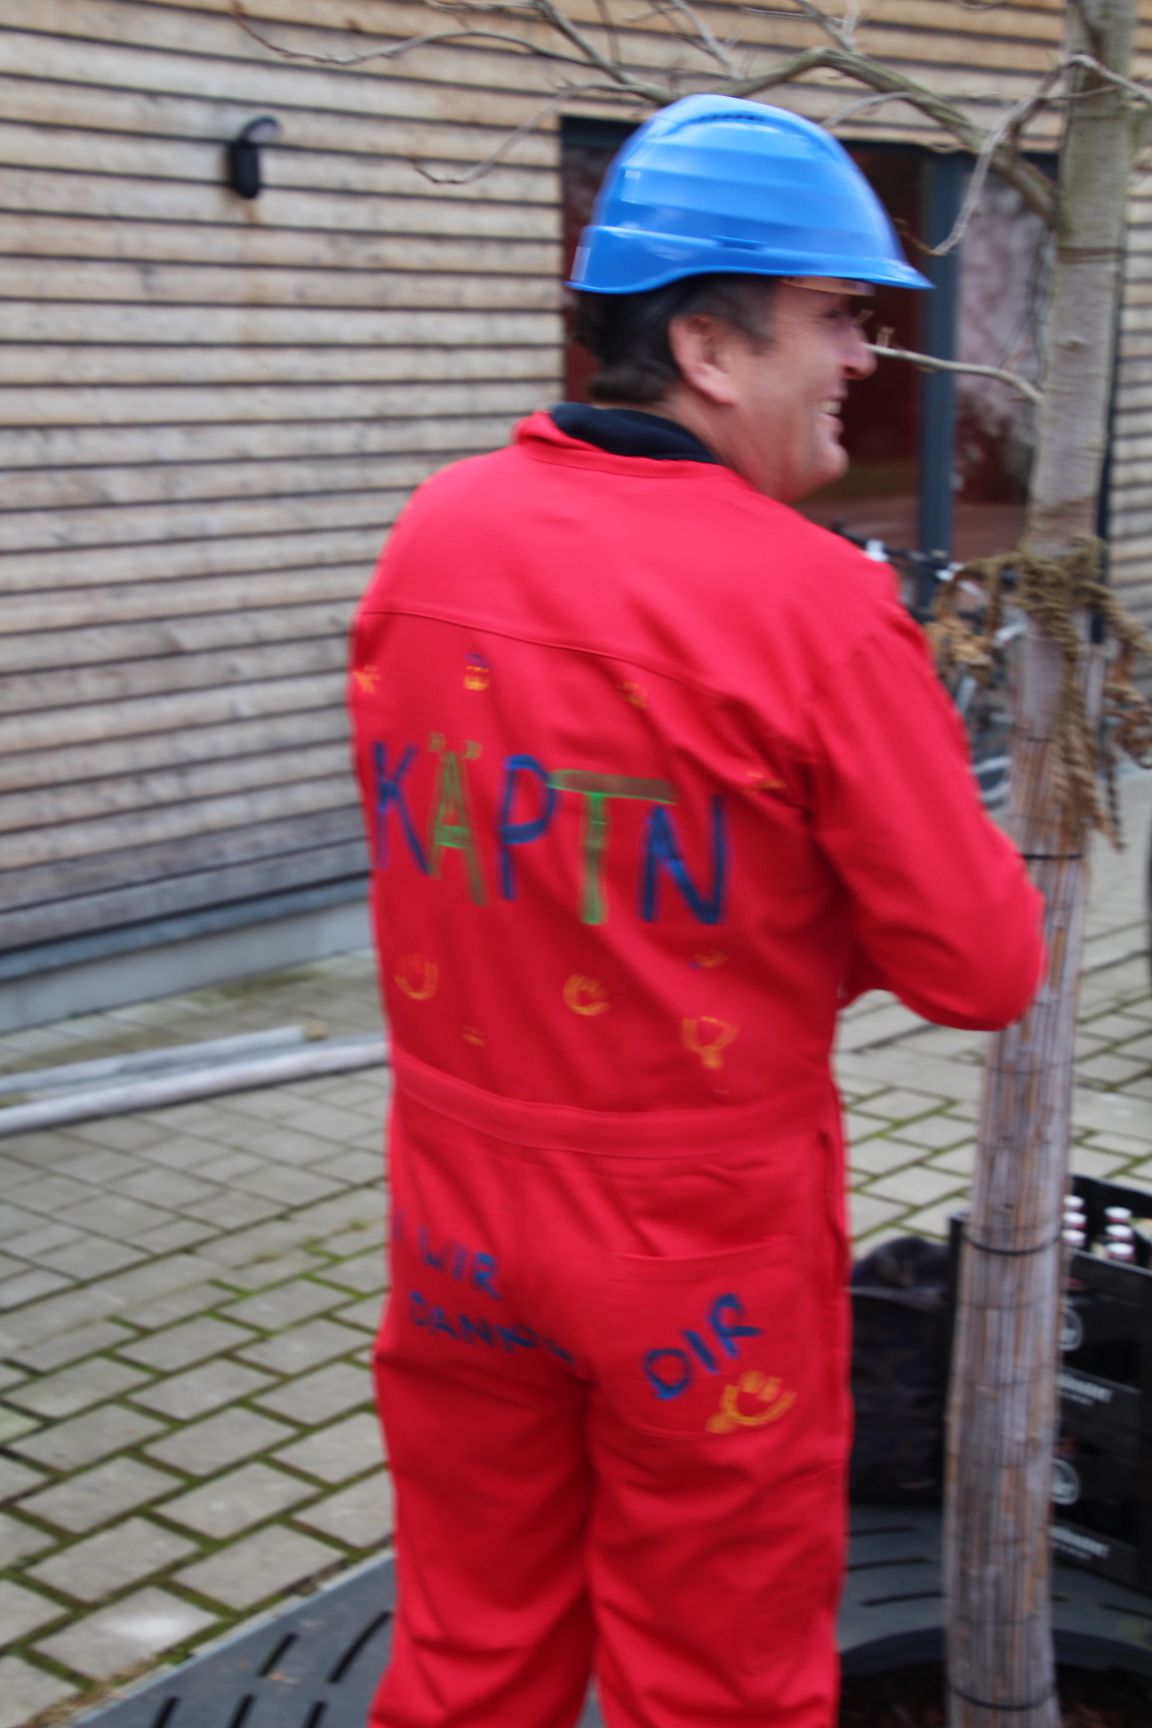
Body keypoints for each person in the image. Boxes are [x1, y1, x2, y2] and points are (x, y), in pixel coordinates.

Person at [348, 95, 1046, 1728]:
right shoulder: (815, 606)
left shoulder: (437, 531)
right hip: (699, 1244)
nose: (870, 355)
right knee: (717, 1679)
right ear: (709, 349)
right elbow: (985, 965)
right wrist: (791, 928)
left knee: (469, 1646)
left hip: (454, 1221)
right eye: (839, 316)